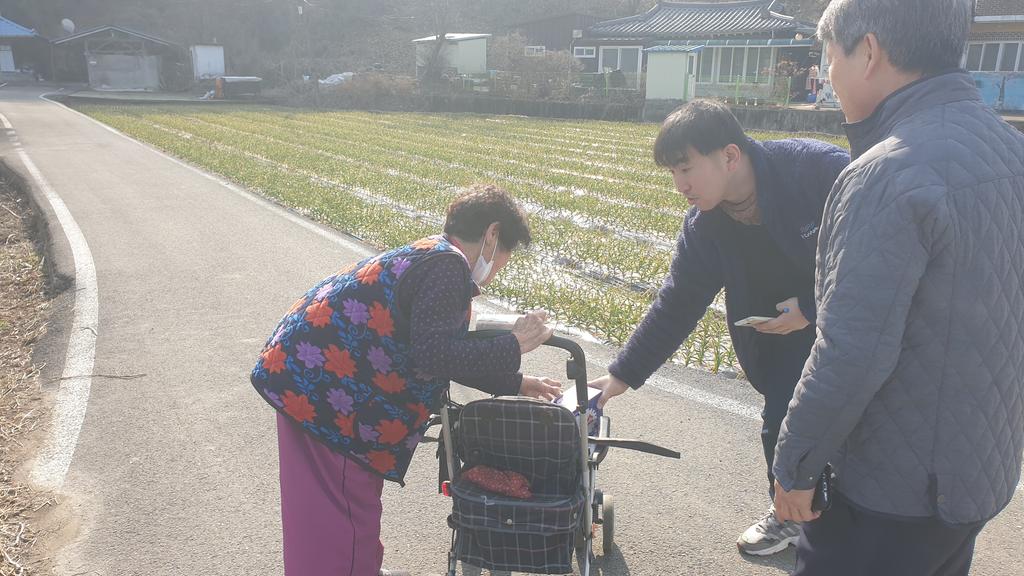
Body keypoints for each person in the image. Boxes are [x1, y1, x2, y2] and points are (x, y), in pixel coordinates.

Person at [771, 1, 1024, 574]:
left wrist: (795, 464)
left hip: (892, 491)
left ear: (869, 52)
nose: (827, 76)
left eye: (828, 57)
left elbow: (851, 351)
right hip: (976, 471)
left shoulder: (887, 174)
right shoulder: (1010, 150)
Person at [250, 184, 563, 576]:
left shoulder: (431, 253)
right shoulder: (449, 267)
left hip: (306, 379)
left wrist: (517, 382)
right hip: (331, 397)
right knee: (343, 508)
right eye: (505, 255)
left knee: (320, 511)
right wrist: (515, 345)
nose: (499, 268)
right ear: (492, 234)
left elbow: (440, 349)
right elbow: (434, 355)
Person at [589, 99, 850, 555]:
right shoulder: (706, 224)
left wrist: (811, 307)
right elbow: (678, 302)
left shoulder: (816, 172)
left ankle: (842, 518)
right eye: (672, 172)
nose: (680, 185)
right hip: (784, 339)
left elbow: (872, 254)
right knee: (783, 426)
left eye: (685, 168)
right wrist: (621, 375)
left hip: (853, 322)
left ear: (729, 155)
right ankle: (792, 517)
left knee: (857, 430)